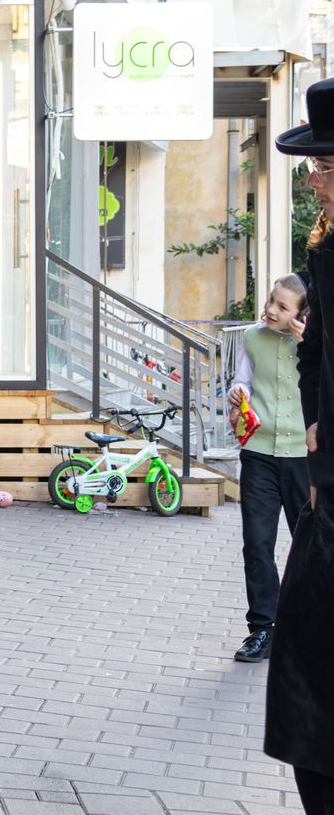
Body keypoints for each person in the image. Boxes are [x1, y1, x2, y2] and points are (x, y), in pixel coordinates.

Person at [268, 76, 334, 812]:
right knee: (305, 652)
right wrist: (316, 428)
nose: (312, 178)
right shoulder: (325, 248)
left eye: (323, 166)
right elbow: (314, 351)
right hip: (331, 481)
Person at [227, 275, 309, 663]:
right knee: (257, 543)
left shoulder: (315, 345)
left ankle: (310, 629)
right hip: (258, 453)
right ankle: (263, 628)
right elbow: (242, 380)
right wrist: (238, 392)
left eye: (282, 306)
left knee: (310, 546)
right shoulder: (252, 337)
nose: (271, 310)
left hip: (303, 458)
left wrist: (308, 344)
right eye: (272, 300)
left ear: (301, 314)